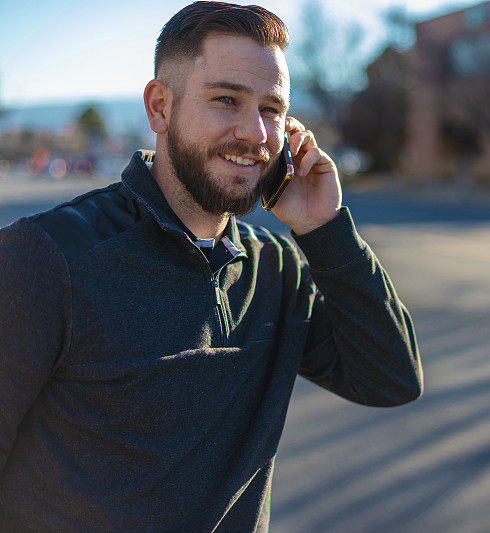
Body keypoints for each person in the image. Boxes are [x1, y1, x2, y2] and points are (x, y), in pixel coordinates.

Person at [0, 2, 423, 530]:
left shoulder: (279, 271)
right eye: (227, 99)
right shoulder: (46, 258)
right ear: (159, 107)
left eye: (272, 109)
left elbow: (390, 379)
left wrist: (326, 228)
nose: (256, 133)